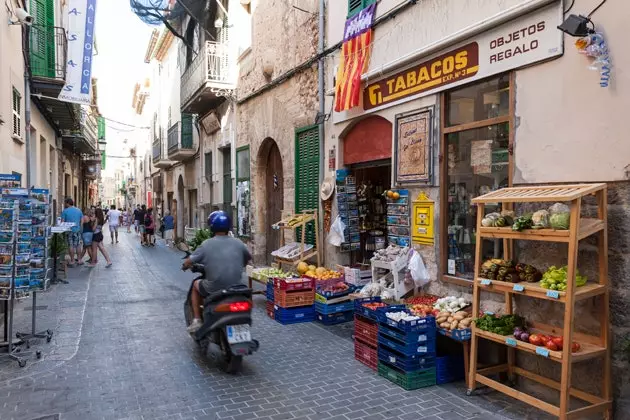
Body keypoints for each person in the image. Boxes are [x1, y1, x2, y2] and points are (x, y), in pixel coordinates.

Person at [182, 211, 251, 333]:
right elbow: (246, 260)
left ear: (212, 227)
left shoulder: (206, 244)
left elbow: (189, 261)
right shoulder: (239, 243)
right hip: (236, 287)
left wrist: (185, 265)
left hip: (214, 288)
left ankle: (197, 320)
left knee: (195, 285)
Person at [61, 198, 83, 267]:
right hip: (77, 230)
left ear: (67, 203)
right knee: (78, 245)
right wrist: (79, 227)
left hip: (69, 230)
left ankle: (72, 260)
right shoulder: (79, 210)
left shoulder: (65, 211)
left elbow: (62, 222)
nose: (65, 204)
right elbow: (82, 221)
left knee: (71, 245)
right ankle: (79, 260)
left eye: (65, 203)